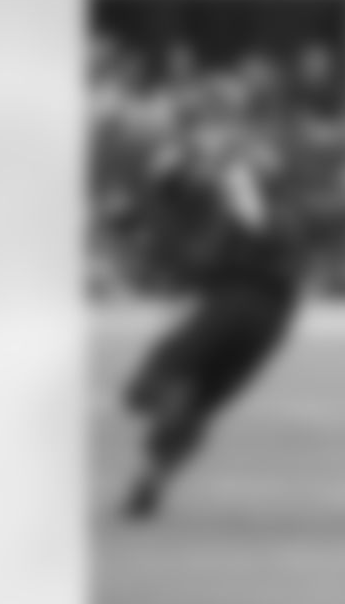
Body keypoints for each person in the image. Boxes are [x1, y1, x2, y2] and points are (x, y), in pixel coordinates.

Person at [120, 103, 300, 521]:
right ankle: (154, 477)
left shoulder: (227, 173)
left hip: (235, 297)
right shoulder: (259, 172)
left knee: (148, 389)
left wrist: (186, 164)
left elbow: (184, 181)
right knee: (198, 405)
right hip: (274, 315)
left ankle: (169, 426)